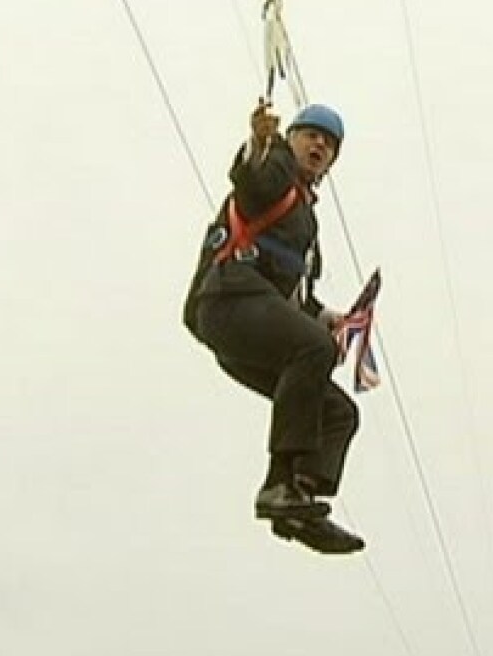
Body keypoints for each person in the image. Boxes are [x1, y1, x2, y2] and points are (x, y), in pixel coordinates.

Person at [182, 99, 366, 555]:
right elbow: (250, 179)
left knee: (340, 411)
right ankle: (281, 489)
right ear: (292, 139)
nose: (320, 145)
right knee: (314, 350)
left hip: (251, 315)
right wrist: (260, 141)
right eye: (312, 135)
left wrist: (332, 319)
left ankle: (295, 496)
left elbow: (297, 297)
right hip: (228, 299)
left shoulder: (306, 224)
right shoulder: (276, 168)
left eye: (330, 143)